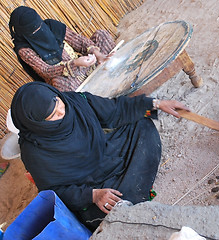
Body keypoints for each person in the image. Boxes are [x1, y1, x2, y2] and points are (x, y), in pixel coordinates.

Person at [10, 82, 190, 231]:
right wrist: (93, 195)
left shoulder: (74, 101)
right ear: (36, 124)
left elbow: (115, 110)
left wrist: (156, 105)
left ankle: (132, 195)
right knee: (103, 214)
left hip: (107, 152)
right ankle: (131, 194)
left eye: (58, 102)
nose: (62, 112)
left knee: (142, 123)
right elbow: (56, 191)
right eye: (53, 116)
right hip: (91, 186)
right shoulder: (33, 152)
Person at [9, 6, 115, 92]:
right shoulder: (24, 49)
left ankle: (111, 66)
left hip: (86, 63)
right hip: (68, 78)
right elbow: (45, 71)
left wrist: (97, 54)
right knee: (58, 83)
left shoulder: (51, 25)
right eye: (33, 31)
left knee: (101, 35)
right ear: (23, 33)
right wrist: (75, 64)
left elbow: (80, 41)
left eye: (39, 26)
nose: (40, 31)